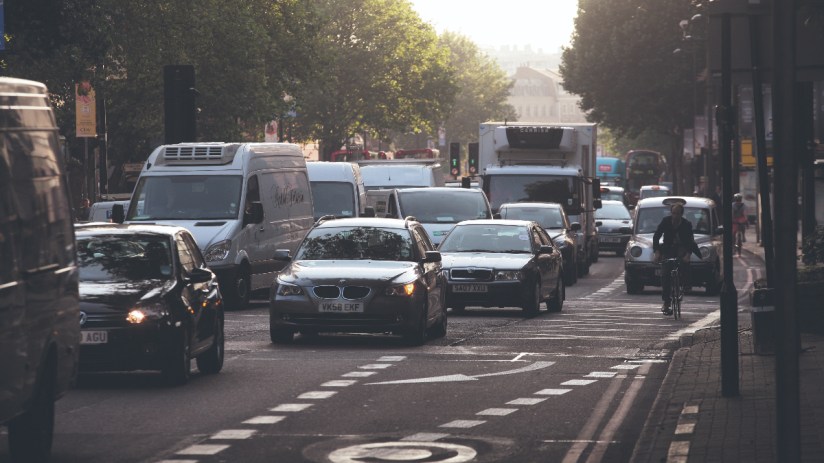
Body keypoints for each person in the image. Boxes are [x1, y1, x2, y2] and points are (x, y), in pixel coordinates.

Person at [652, 202, 701, 315]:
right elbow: (656, 236)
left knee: (684, 264)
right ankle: (666, 302)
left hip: (681, 248)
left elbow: (690, 241)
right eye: (673, 213)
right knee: (665, 273)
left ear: (681, 214)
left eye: (677, 214)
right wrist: (657, 252)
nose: (675, 216)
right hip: (668, 249)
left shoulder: (686, 224)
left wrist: (688, 255)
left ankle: (686, 284)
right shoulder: (665, 221)